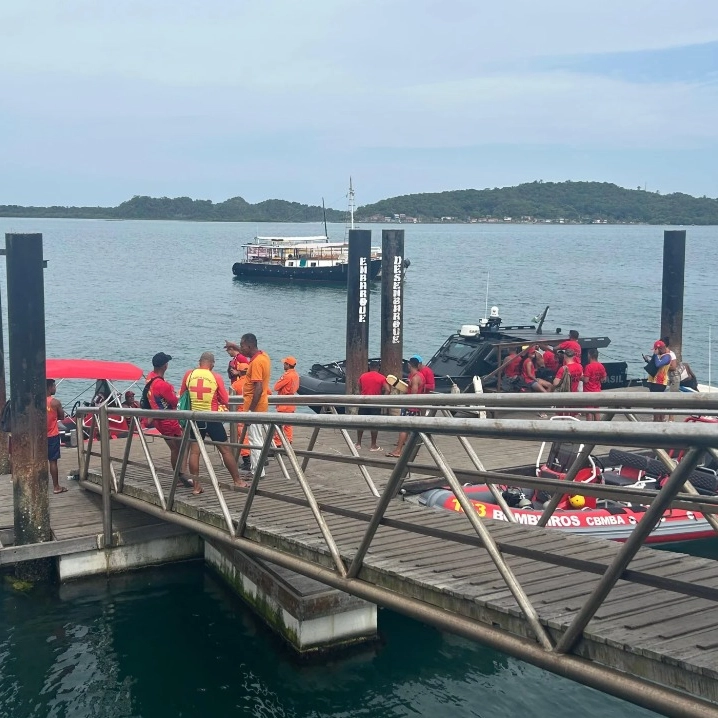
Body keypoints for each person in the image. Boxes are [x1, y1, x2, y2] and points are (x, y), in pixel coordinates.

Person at [180, 352, 247, 493]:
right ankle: (237, 481)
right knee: (225, 450)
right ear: (212, 364)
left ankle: (197, 487)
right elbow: (224, 399)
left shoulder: (189, 375)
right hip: (212, 418)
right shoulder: (215, 377)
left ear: (199, 362)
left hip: (195, 418)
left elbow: (183, 395)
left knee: (194, 452)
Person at [145, 352, 191, 486]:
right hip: (168, 420)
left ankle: (180, 475)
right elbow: (173, 401)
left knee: (176, 447)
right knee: (177, 448)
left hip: (159, 418)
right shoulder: (163, 385)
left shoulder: (150, 378)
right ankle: (179, 476)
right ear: (165, 366)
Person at [237, 333, 272, 479]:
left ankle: (257, 471)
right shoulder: (263, 356)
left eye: (242, 345)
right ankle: (257, 469)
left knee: (255, 439)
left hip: (255, 407)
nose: (241, 348)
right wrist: (233, 346)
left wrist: (250, 411)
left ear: (249, 346)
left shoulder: (256, 363)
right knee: (258, 438)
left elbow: (258, 388)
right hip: (262, 405)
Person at [387, 358, 424, 458]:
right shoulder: (420, 376)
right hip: (416, 407)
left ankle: (398, 450)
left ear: (409, 365)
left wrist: (410, 386)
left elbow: (414, 394)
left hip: (411, 407)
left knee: (404, 428)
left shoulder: (415, 378)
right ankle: (411, 450)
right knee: (413, 429)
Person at [355, 361, 389, 451]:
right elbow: (388, 389)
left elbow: (359, 386)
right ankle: (373, 445)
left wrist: (362, 394)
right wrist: (382, 399)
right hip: (375, 402)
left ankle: (358, 443)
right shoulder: (382, 377)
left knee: (361, 422)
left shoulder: (363, 376)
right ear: (378, 368)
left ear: (369, 367)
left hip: (364, 401)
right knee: (374, 424)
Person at [273, 356, 300, 446]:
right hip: (292, 401)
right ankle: (288, 441)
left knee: (279, 425)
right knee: (288, 425)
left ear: (288, 365)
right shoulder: (296, 375)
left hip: (284, 402)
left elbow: (276, 387)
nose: (283, 365)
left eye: (285, 363)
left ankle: (277, 444)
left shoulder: (287, 376)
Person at [47, 379, 68, 494]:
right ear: (49, 387)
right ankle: (56, 486)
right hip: (52, 434)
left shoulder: (37, 401)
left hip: (40, 436)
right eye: (54, 386)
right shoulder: (55, 402)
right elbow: (61, 416)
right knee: (53, 461)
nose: (55, 388)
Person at [644, 340, 671, 422]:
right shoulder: (659, 356)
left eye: (655, 349)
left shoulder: (667, 357)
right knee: (654, 404)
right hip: (653, 381)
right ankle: (656, 420)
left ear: (659, 349)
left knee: (657, 404)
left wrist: (655, 355)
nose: (655, 351)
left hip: (660, 383)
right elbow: (656, 366)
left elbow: (658, 364)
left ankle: (658, 420)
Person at [231, 362, 251, 471]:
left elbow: (229, 396)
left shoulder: (236, 384)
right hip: (253, 412)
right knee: (255, 436)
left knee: (243, 438)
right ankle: (259, 457)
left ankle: (247, 460)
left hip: (241, 412)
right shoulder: (254, 382)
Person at [582, 348, 607, 421]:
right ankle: (597, 426)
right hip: (597, 390)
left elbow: (586, 380)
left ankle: (589, 427)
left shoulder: (589, 367)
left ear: (590, 355)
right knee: (596, 410)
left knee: (589, 411)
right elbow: (603, 379)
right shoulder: (601, 366)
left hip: (589, 391)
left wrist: (580, 377)